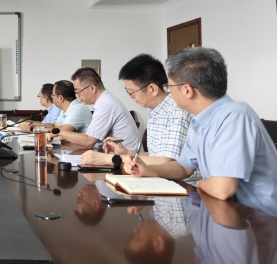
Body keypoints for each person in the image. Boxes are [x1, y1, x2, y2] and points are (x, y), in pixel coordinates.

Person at [127, 48, 277, 216]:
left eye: (170, 86)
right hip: (227, 213)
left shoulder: (234, 116)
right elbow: (183, 168)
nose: (169, 92)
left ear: (187, 90)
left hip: (262, 221)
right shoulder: (199, 119)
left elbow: (222, 189)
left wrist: (199, 183)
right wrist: (149, 170)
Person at [82, 54, 197, 182]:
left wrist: (108, 159)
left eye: (132, 91)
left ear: (152, 89)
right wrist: (126, 153)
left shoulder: (176, 112)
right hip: (160, 182)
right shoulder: (155, 112)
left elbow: (165, 161)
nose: (130, 96)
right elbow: (156, 156)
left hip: (182, 187)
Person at [49, 67, 139, 149]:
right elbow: (91, 134)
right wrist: (63, 136)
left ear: (92, 88)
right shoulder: (104, 101)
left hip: (126, 158)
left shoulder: (105, 105)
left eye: (78, 91)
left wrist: (59, 132)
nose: (76, 95)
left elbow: (89, 141)